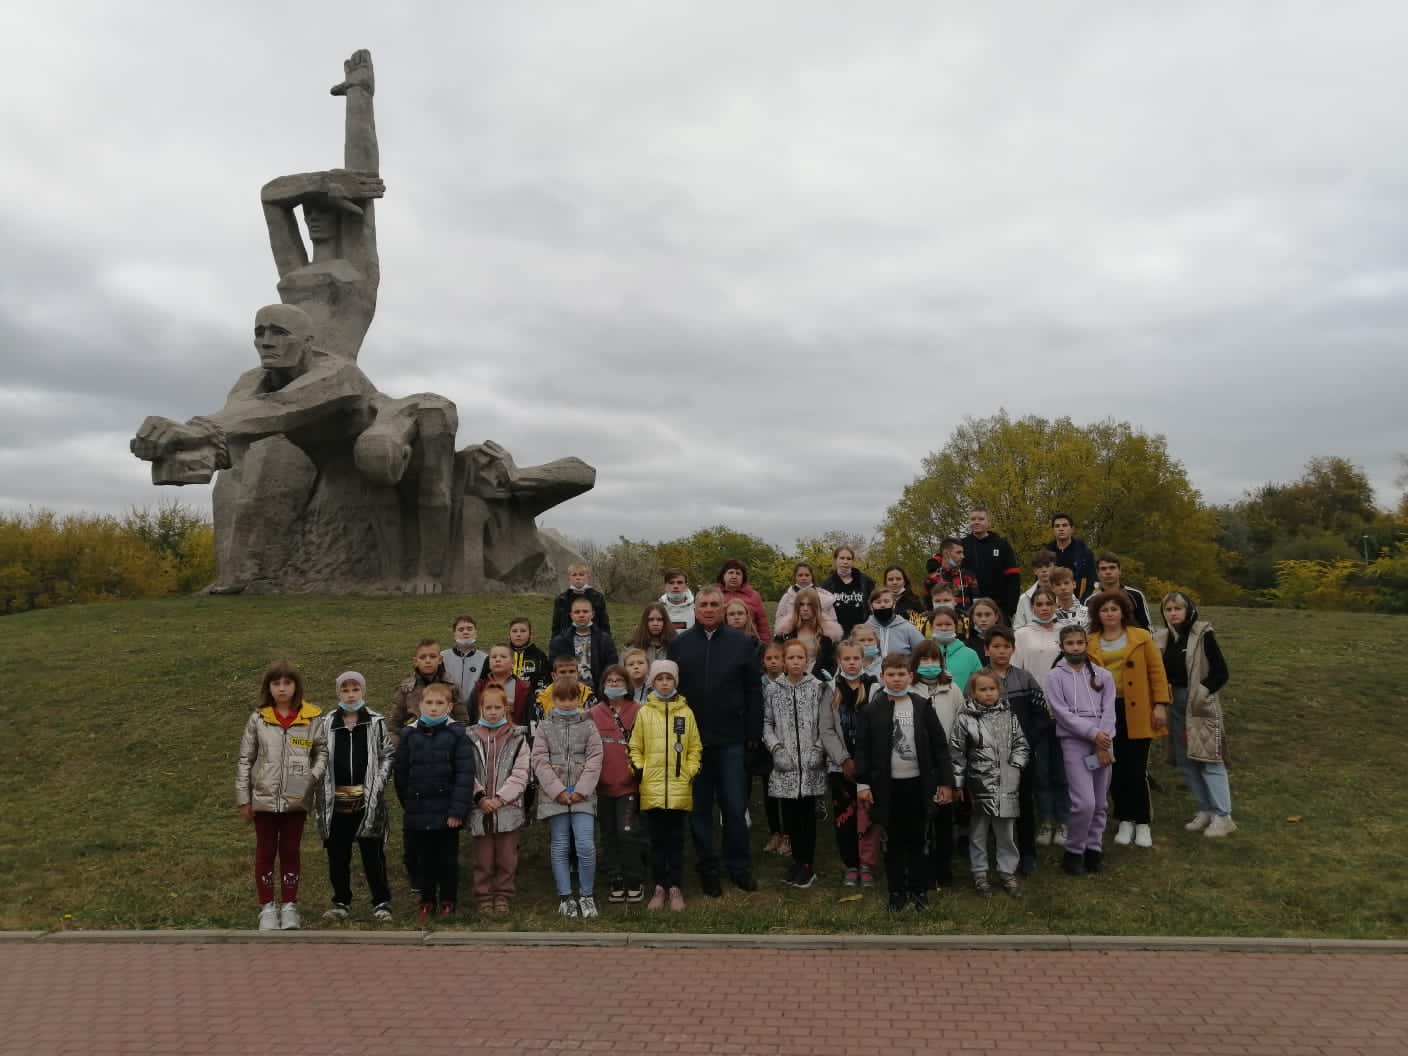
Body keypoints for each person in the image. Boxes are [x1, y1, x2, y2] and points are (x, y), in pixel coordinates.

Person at [666, 586, 764, 896]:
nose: (708, 609)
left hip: (731, 740)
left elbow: (753, 691)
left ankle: (738, 866)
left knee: (734, 807)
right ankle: (707, 868)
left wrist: (753, 732)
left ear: (723, 609)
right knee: (699, 810)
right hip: (692, 743)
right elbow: (671, 694)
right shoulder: (679, 645)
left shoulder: (742, 643)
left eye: (714, 605)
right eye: (703, 605)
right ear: (695, 610)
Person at [855, 654, 955, 912]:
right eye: (891, 675)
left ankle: (919, 889)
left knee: (918, 839)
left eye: (902, 674)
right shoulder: (871, 710)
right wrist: (862, 784)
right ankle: (896, 891)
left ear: (910, 676)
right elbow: (862, 749)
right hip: (887, 788)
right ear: (882, 677)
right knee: (894, 841)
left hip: (918, 786)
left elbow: (939, 746)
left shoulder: (922, 706)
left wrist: (946, 782)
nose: (897, 679)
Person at [236, 660, 327, 931]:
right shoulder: (259, 718)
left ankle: (289, 906)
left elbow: (321, 752)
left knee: (290, 851)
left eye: (287, 683)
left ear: (296, 686)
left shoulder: (311, 718)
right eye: (276, 683)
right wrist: (244, 798)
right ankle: (267, 907)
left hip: (296, 795)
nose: (282, 688)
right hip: (263, 796)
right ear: (269, 688)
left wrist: (311, 777)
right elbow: (245, 759)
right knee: (265, 851)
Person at [1087, 590, 1170, 848]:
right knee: (1114, 767)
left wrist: (1160, 705)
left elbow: (1157, 672)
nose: (1110, 614)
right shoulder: (1090, 641)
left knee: (1136, 769)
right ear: (1097, 615)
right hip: (1105, 712)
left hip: (1138, 710)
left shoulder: (1141, 637)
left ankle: (1142, 821)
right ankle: (1124, 818)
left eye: (1114, 609)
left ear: (1123, 612)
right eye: (1104, 610)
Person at [1154, 592, 1235, 837]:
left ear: (1188, 609)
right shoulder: (1162, 638)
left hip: (1199, 706)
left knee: (1209, 759)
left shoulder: (1202, 634)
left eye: (1178, 608)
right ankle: (1205, 809)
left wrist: (1202, 691)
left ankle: (1223, 815)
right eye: (1168, 609)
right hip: (1175, 706)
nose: (1173, 613)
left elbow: (1220, 672)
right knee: (1187, 761)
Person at [315, 671, 392, 923]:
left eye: (355, 689)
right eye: (345, 690)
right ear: (338, 693)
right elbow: (318, 755)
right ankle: (341, 901)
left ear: (363, 691)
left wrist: (378, 783)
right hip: (335, 801)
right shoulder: (326, 722)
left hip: (368, 800)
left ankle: (381, 902)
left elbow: (387, 755)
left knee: (373, 854)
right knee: (338, 854)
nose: (350, 695)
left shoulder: (376, 722)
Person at [393, 681, 474, 920]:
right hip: (418, 811)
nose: (434, 707)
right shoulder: (409, 734)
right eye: (429, 702)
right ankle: (426, 901)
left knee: (448, 860)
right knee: (424, 860)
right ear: (420, 705)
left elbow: (464, 775)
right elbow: (401, 774)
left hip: (447, 811)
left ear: (449, 707)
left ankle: (448, 900)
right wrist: (409, 804)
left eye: (440, 703)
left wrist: (457, 811)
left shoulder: (457, 735)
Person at [950, 669, 1030, 897]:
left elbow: (1021, 744)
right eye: (982, 689)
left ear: (999, 690)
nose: (988, 693)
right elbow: (956, 753)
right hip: (978, 786)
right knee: (978, 832)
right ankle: (980, 873)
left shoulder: (1010, 716)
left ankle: (1007, 871)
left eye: (992, 689)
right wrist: (958, 783)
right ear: (973, 692)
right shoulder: (965, 719)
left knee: (1006, 832)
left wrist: (1015, 766)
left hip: (1007, 784)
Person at [630, 660, 702, 912]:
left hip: (679, 789)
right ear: (652, 682)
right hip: (652, 789)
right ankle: (659, 886)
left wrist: (689, 771)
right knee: (657, 841)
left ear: (675, 682)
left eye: (668, 678)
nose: (664, 683)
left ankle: (675, 887)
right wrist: (641, 770)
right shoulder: (644, 713)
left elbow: (694, 748)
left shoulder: (686, 712)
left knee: (676, 840)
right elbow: (635, 747)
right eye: (659, 679)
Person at [1045, 626, 1116, 876]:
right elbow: (1061, 713)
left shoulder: (1104, 675)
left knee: (1100, 801)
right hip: (1075, 741)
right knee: (1084, 803)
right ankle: (1074, 850)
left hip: (1103, 742)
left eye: (1079, 642)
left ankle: (1093, 848)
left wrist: (1102, 740)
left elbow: (1110, 710)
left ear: (1086, 644)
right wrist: (1092, 733)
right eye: (1070, 643)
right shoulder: (1054, 676)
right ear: (1062, 646)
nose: (1075, 647)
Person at [532, 677, 604, 918]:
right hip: (554, 796)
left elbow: (595, 758)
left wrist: (582, 790)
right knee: (560, 845)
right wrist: (558, 791)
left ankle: (587, 895)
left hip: (583, 796)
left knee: (585, 845)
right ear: (554, 699)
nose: (566, 703)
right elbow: (539, 761)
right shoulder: (544, 727)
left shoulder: (589, 725)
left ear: (578, 699)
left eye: (571, 698)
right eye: (561, 698)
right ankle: (565, 897)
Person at [983, 629, 1052, 875]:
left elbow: (1041, 715)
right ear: (986, 650)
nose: (1001, 651)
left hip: (1021, 756)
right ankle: (998, 853)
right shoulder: (979, 680)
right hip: (990, 757)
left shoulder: (1024, 678)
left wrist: (1026, 741)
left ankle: (1028, 853)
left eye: (1006, 646)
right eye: (996, 646)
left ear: (1013, 649)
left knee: (1023, 801)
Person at [764, 640, 829, 888]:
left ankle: (808, 864)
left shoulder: (817, 688)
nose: (795, 662)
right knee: (790, 816)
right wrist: (776, 748)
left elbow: (825, 724)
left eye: (800, 657)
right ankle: (797, 860)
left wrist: (818, 749)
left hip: (810, 765)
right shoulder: (773, 690)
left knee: (807, 816)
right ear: (783, 661)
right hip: (786, 765)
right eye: (790, 658)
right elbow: (767, 723)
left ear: (807, 661)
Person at [818, 639, 880, 887]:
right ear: (839, 661)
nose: (852, 663)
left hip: (869, 765)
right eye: (847, 659)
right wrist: (843, 759)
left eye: (856, 658)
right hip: (840, 766)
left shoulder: (874, 687)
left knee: (868, 816)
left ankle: (867, 864)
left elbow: (878, 727)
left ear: (863, 660)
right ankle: (851, 864)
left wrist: (865, 761)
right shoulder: (830, 689)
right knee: (845, 816)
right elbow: (826, 729)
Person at [1012, 590, 1068, 849]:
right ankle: (1045, 820)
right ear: (1032, 607)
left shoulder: (1066, 631)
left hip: (1065, 711)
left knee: (1063, 770)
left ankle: (1064, 820)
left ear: (1056, 605)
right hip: (1036, 711)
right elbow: (1018, 671)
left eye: (1049, 603)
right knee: (1041, 770)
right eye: (1039, 604)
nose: (1044, 608)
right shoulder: (1022, 634)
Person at [468, 685, 530, 915]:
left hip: (507, 809)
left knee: (507, 857)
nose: (493, 712)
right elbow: (465, 771)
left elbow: (521, 772)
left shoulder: (517, 737)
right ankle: (484, 895)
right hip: (480, 808)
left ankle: (503, 894)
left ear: (506, 709)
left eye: (497, 707)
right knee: (483, 857)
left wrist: (501, 798)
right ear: (481, 708)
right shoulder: (469, 737)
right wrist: (480, 798)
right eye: (488, 707)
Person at [906, 640, 963, 888]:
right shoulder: (908, 689)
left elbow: (961, 723)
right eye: (924, 659)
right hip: (916, 765)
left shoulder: (952, 689)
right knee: (920, 820)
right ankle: (922, 867)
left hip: (944, 763)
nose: (929, 664)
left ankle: (944, 867)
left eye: (934, 659)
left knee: (943, 820)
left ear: (941, 662)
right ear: (915, 663)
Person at [589, 665, 647, 903]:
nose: (614, 684)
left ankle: (634, 879)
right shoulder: (594, 713)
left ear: (627, 684)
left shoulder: (640, 710)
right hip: (602, 785)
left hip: (629, 785)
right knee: (609, 833)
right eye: (609, 680)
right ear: (603, 685)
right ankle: (615, 878)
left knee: (627, 832)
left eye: (618, 680)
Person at [387, 638, 467, 746]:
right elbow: (393, 725)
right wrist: (403, 745)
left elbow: (462, 721)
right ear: (415, 661)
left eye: (432, 656)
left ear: (440, 659)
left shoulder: (452, 687)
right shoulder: (406, 689)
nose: (428, 661)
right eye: (422, 657)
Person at [961, 507, 1022, 620]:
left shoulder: (1002, 544)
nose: (976, 522)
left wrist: (1012, 607)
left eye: (981, 519)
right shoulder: (962, 544)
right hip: (970, 607)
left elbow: (1013, 577)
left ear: (989, 522)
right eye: (973, 519)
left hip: (999, 607)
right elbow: (945, 558)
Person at [548, 595, 620, 691]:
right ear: (571, 615)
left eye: (585, 611)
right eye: (577, 612)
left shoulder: (605, 640)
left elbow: (612, 666)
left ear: (592, 614)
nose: (581, 615)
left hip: (599, 690)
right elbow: (553, 667)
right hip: (568, 690)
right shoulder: (559, 641)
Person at [758, 641, 789, 857]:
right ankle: (775, 832)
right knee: (769, 790)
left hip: (787, 743)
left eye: (777, 658)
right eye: (769, 659)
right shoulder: (759, 684)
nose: (773, 662)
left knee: (786, 791)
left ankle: (788, 834)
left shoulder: (789, 682)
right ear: (763, 662)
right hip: (766, 745)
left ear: (784, 661)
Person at [776, 587, 839, 679]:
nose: (805, 609)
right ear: (797, 607)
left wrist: (821, 679)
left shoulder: (828, 634)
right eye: (801, 604)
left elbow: (831, 664)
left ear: (816, 607)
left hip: (817, 681)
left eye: (810, 605)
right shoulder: (785, 632)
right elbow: (777, 658)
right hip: (789, 681)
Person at [468, 643, 533, 731]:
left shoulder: (524, 689)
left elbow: (529, 720)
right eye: (494, 657)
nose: (498, 660)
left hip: (514, 736)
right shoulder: (479, 687)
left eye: (503, 657)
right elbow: (471, 717)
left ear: (513, 663)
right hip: (483, 736)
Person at [774, 562, 842, 640]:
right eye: (800, 575)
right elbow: (780, 617)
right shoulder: (787, 597)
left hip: (818, 636)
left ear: (812, 577)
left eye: (807, 575)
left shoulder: (825, 597)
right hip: (793, 637)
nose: (804, 578)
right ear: (795, 577)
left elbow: (832, 619)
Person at [821, 545, 875, 636]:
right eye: (842, 558)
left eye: (849, 559)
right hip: (837, 634)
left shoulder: (865, 581)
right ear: (835, 560)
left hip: (861, 633)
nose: (845, 562)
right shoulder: (827, 584)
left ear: (853, 561)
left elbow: (873, 605)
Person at [927, 606, 983, 691]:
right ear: (931, 627)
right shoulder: (923, 652)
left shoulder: (970, 655)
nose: (944, 628)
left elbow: (980, 683)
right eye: (939, 625)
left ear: (956, 627)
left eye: (948, 624)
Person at [1044, 514, 1097, 600]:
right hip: (1051, 601)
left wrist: (1084, 601)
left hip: (1080, 600)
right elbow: (1040, 581)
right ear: (1053, 530)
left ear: (1072, 529)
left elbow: (1092, 581)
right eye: (1057, 526)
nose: (1061, 529)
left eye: (1064, 525)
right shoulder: (1046, 554)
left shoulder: (1084, 553)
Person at [551, 563, 611, 638]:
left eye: (581, 574)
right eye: (574, 575)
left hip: (593, 641)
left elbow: (604, 625)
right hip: (567, 642)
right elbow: (556, 627)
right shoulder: (561, 599)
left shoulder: (598, 597)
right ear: (569, 579)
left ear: (588, 578)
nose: (578, 577)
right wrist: (554, 643)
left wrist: (607, 642)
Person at [1093, 551, 1151, 630]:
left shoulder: (1136, 595)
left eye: (1112, 567)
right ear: (1097, 573)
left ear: (1120, 570)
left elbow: (1147, 628)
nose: (1108, 572)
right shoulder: (1091, 600)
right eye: (1103, 569)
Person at [715, 558, 771, 640]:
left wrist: (766, 644)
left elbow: (762, 625)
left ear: (743, 577)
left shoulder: (753, 596)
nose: (734, 576)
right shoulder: (714, 595)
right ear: (723, 575)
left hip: (750, 641)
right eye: (730, 572)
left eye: (738, 573)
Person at [863, 588, 926, 659]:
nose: (882, 605)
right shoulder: (863, 630)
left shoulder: (908, 628)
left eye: (886, 601)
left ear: (894, 604)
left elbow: (925, 652)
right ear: (871, 606)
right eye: (878, 602)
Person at [441, 614, 488, 706]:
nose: (465, 632)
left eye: (469, 629)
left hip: (475, 708)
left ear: (476, 633)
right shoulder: (442, 656)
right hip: (449, 707)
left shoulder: (485, 658)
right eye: (461, 629)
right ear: (454, 634)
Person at [924, 538, 980, 616]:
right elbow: (928, 607)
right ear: (946, 553)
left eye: (962, 553)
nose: (962, 556)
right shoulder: (931, 579)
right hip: (941, 620)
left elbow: (977, 604)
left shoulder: (968, 576)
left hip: (965, 620)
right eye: (958, 552)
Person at [1012, 551, 1057, 630]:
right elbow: (1018, 628)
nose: (1044, 570)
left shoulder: (1064, 595)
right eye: (1040, 567)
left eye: (1048, 566)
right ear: (1034, 571)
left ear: (1055, 567)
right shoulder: (1024, 598)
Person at [508, 616, 551, 694]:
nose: (518, 634)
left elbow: (545, 679)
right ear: (509, 635)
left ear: (530, 634)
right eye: (514, 631)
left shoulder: (539, 656)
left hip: (531, 699)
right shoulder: (502, 654)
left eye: (523, 631)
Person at [965, 597, 1006, 665]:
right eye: (979, 615)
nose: (983, 619)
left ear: (996, 617)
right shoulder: (966, 644)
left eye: (988, 615)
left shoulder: (1007, 640)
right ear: (972, 618)